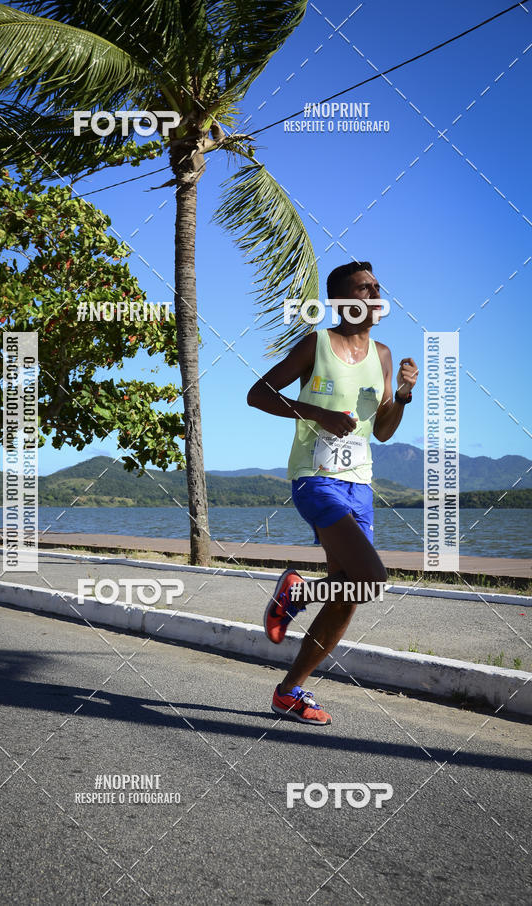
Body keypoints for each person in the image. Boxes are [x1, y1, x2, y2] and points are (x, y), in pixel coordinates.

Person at [247, 261, 418, 725]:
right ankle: (295, 594)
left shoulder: (382, 354)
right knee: (373, 577)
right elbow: (257, 394)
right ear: (343, 301)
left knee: (351, 592)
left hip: (359, 482)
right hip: (315, 476)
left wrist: (401, 396)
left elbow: (382, 431)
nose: (375, 293)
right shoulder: (316, 344)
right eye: (365, 288)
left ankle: (289, 691)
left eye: (377, 286)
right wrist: (315, 413)